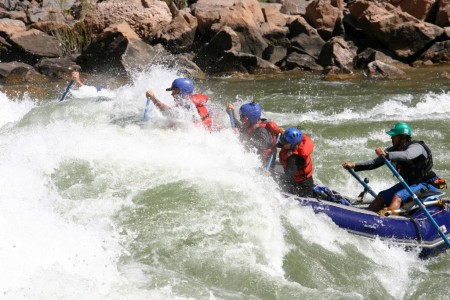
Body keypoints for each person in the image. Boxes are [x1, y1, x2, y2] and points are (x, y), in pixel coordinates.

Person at [342, 122, 442, 213]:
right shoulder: (393, 150)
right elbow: (374, 163)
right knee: (381, 197)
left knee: (397, 196)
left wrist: (387, 154)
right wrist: (354, 165)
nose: (391, 138)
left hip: (427, 183)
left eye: (394, 136)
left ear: (403, 137)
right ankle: (365, 217)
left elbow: (407, 155)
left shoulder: (416, 147)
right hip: (410, 183)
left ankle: (388, 221)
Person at [226, 101, 281, 169]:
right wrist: (232, 115)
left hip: (266, 166)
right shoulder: (252, 124)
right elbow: (242, 129)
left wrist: (240, 139)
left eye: (242, 116)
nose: (240, 119)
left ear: (251, 117)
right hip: (257, 162)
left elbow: (258, 149)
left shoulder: (262, 131)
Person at [145, 78, 213, 130]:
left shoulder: (188, 105)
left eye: (175, 91)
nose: (172, 94)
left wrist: (152, 98)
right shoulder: (192, 102)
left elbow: (166, 111)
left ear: (183, 91)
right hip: (206, 130)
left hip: (202, 133)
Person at [276, 127, 315, 197]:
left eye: (285, 142)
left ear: (293, 144)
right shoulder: (290, 145)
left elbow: (288, 176)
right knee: (276, 164)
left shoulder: (295, 158)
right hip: (295, 178)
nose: (283, 143)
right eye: (283, 140)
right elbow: (279, 143)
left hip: (303, 184)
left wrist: (274, 177)